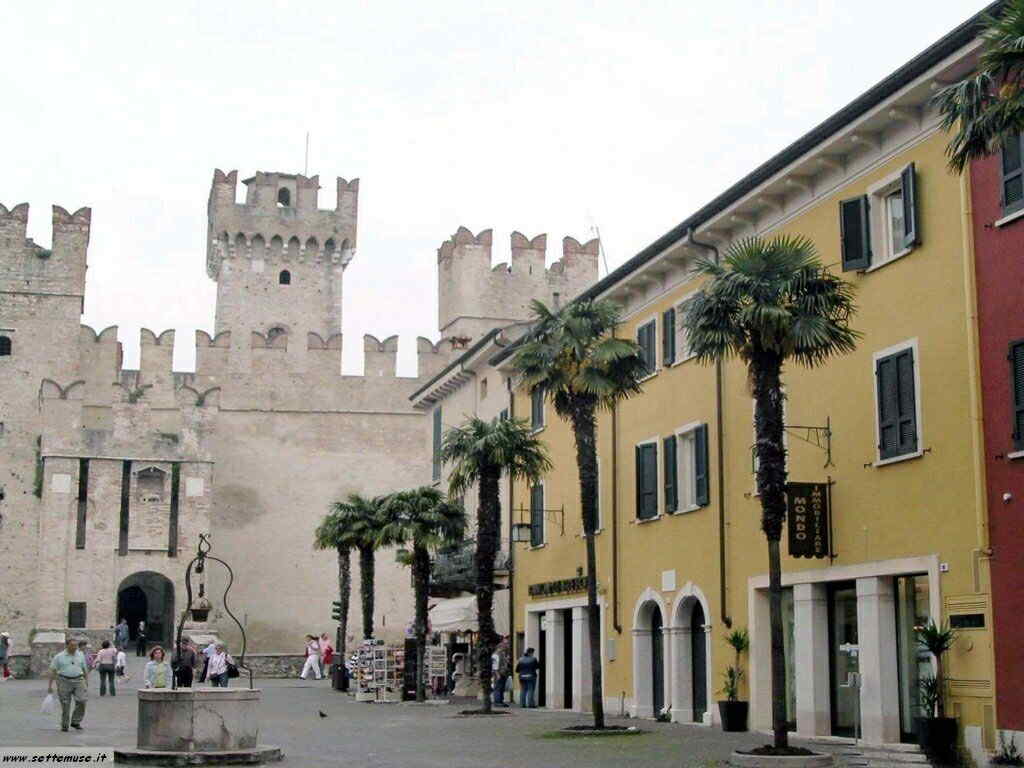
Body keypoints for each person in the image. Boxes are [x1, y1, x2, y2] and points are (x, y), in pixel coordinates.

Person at [48, 637, 88, 732]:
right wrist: (50, 686)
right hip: (63, 681)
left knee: (82, 701)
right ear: (67, 646)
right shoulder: (59, 657)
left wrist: (86, 682)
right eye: (72, 645)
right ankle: (65, 725)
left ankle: (75, 721)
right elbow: (52, 671)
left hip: (79, 680)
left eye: (76, 645)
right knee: (65, 704)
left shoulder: (80, 655)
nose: (74, 647)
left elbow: (84, 669)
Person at [492, 637, 510, 706]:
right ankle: (497, 702)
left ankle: (501, 701)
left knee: (502, 687)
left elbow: (504, 663)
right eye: (505, 644)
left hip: (503, 673)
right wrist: (497, 674)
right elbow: (495, 666)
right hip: (498, 673)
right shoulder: (496, 654)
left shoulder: (503, 654)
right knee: (498, 687)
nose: (507, 646)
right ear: (501, 646)